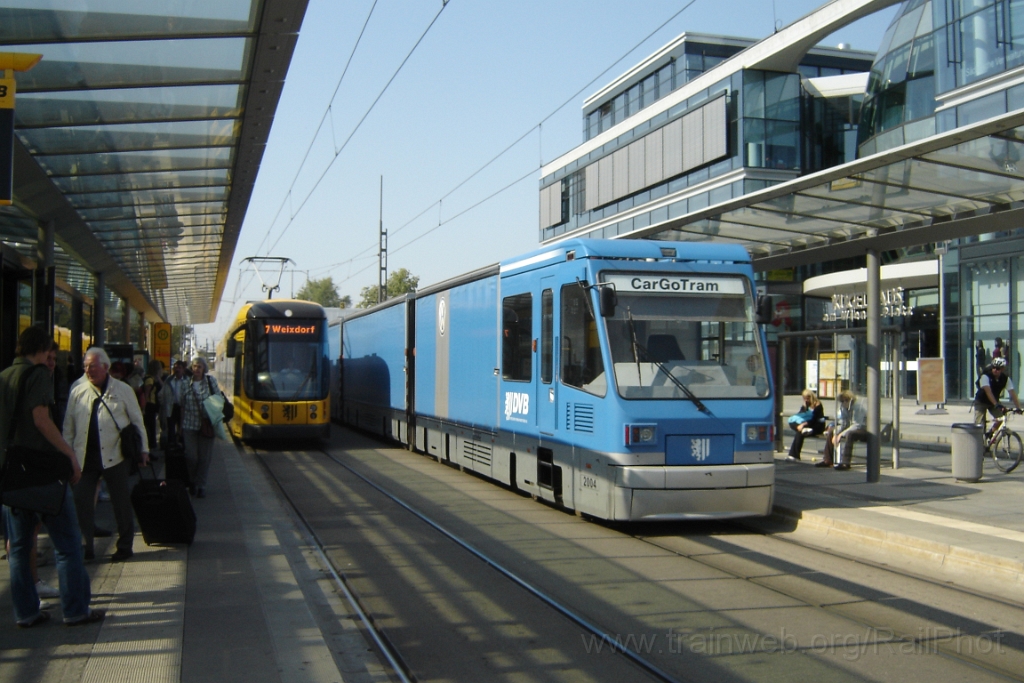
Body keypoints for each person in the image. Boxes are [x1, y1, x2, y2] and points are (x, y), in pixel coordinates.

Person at [0, 325, 103, 627]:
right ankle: (75, 610)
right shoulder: (38, 376)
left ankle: (26, 613)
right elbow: (41, 420)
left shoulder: (4, 376)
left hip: (12, 473)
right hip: (42, 473)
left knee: (19, 547)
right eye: (50, 352)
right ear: (44, 349)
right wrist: (69, 454)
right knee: (68, 544)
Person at [64, 347, 149, 563]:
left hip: (115, 455)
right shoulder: (77, 390)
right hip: (85, 457)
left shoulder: (122, 390)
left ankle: (124, 545)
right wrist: (68, 455)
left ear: (105, 366)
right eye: (85, 366)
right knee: (81, 501)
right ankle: (86, 546)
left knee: (120, 502)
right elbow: (69, 427)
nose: (88, 370)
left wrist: (144, 450)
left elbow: (137, 421)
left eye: (92, 366)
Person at [182, 356, 221, 498]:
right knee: (191, 457)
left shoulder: (211, 382)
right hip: (189, 424)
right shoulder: (186, 383)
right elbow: (181, 405)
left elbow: (218, 400)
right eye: (194, 366)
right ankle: (192, 481)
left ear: (204, 368)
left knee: (204, 458)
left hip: (207, 425)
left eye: (199, 366)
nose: (196, 369)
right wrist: (179, 426)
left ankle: (200, 485)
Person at [821, 390, 868, 471]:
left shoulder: (858, 407)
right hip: (851, 428)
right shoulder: (843, 408)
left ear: (850, 400)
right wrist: (836, 432)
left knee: (850, 434)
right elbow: (843, 423)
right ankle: (827, 459)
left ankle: (846, 462)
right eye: (842, 401)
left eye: (845, 400)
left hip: (863, 429)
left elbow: (857, 425)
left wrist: (841, 434)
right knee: (832, 431)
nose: (843, 403)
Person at [973, 356, 1022, 430]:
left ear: (1002, 369)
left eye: (998, 368)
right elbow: (988, 392)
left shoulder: (1005, 379)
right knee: (978, 425)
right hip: (981, 401)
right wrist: (997, 405)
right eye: (993, 367)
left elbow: (1012, 393)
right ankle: (979, 439)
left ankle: (990, 435)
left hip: (994, 401)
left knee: (1001, 418)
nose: (995, 370)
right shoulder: (985, 376)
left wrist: (1018, 408)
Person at [786, 389, 827, 462]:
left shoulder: (817, 405)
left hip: (816, 426)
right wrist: (804, 407)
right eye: (804, 398)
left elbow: (814, 419)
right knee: (795, 426)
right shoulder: (806, 405)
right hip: (807, 426)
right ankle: (794, 455)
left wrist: (804, 424)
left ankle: (793, 455)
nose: (806, 400)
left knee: (800, 433)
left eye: (807, 398)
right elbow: (800, 415)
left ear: (811, 397)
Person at [160, 360, 187, 448]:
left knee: (182, 427)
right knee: (171, 428)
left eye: (179, 368)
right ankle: (171, 446)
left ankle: (182, 445)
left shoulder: (188, 381)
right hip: (171, 407)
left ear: (183, 369)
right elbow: (162, 394)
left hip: (183, 408)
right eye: (175, 368)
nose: (177, 370)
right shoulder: (169, 380)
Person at [142, 360, 164, 452]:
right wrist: (143, 408)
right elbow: (146, 394)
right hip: (149, 405)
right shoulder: (150, 380)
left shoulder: (153, 378)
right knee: (150, 427)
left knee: (152, 426)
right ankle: (150, 447)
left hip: (152, 405)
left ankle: (151, 446)